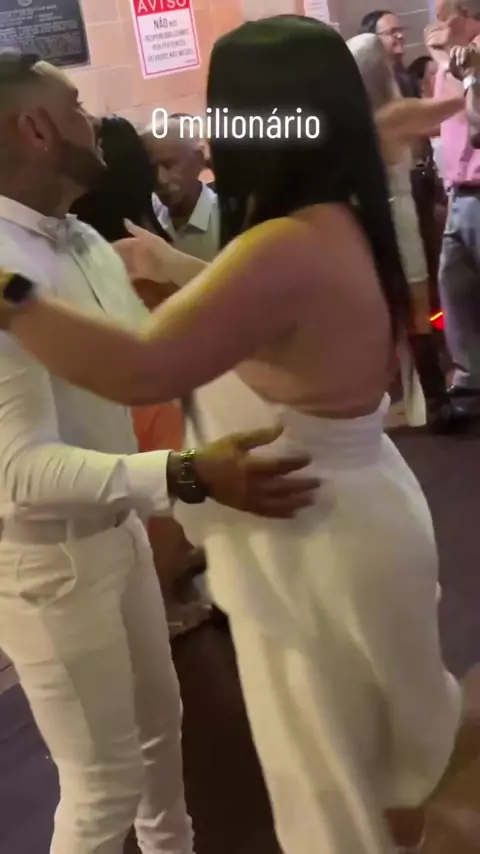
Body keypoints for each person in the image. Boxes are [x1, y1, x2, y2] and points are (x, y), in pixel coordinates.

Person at [0, 18, 462, 854]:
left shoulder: (282, 245)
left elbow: (141, 368)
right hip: (350, 513)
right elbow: (262, 315)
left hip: (317, 537)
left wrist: (11, 293)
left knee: (336, 785)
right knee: (372, 772)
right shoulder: (334, 214)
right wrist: (179, 273)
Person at [0, 49, 319, 854]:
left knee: (159, 736)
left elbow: (152, 365)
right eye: (76, 106)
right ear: (35, 129)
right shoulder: (6, 273)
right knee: (101, 786)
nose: (97, 121)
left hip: (116, 535)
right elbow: (18, 472)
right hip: (49, 564)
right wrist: (184, 475)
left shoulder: (82, 242)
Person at [73, 114, 211, 638]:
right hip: (153, 383)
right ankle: (165, 595)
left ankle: (170, 579)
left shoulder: (90, 236)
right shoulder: (129, 242)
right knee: (168, 481)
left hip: (133, 382)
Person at [348, 32, 467, 432]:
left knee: (383, 317)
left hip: (366, 223)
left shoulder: (353, 123)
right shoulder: (395, 114)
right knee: (418, 313)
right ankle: (435, 406)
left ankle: (380, 406)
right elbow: (450, 108)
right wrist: (450, 64)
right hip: (398, 218)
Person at [425, 0, 480, 397]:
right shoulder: (451, 61)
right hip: (458, 191)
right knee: (455, 292)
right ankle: (468, 385)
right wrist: (444, 63)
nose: (437, 23)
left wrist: (466, 73)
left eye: (445, 15)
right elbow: (437, 121)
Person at [142, 116, 219, 262]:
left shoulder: (225, 223)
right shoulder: (146, 221)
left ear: (198, 160)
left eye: (169, 165)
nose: (160, 179)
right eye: (151, 169)